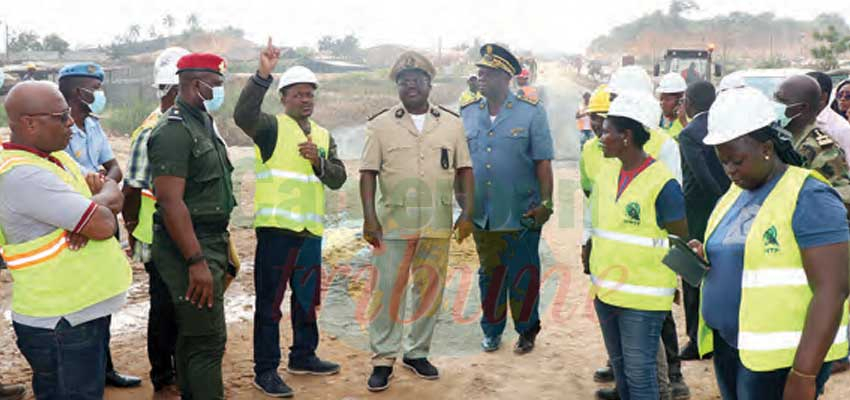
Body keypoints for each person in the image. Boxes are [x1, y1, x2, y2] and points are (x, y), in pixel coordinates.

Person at [693, 86, 850, 399]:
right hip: (732, 345)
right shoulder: (737, 192)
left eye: (736, 161)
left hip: (781, 359)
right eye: (723, 162)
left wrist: (804, 374)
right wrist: (708, 255)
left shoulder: (810, 197)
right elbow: (745, 251)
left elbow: (833, 289)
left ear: (766, 148)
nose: (729, 170)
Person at [0, 81, 132, 399]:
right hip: (61, 321)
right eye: (61, 116)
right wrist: (96, 208)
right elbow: (103, 222)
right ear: (30, 123)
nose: (71, 121)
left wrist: (92, 206)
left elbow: (108, 188)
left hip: (78, 312)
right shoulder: (25, 175)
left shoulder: (54, 159)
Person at [233, 38, 347, 397]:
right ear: (284, 98)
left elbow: (338, 178)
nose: (306, 99)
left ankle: (303, 355)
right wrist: (262, 75)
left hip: (310, 232)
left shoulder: (326, 137)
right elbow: (243, 115)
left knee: (306, 299)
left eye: (310, 94)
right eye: (298, 94)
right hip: (277, 233)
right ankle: (265, 369)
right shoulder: (270, 128)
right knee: (269, 305)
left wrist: (319, 162)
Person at [360, 50, 474, 392]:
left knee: (429, 290)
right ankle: (383, 359)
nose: (410, 85)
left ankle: (417, 352)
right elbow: (367, 173)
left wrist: (467, 213)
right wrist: (369, 218)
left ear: (429, 83)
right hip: (393, 223)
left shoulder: (452, 124)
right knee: (388, 291)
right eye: (403, 80)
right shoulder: (380, 125)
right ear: (397, 86)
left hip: (437, 222)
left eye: (417, 79)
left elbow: (464, 170)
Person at [148, 52, 236, 400]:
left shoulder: (200, 121)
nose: (219, 89)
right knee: (206, 342)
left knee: (192, 336)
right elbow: (170, 202)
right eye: (215, 84)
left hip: (208, 239)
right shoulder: (174, 130)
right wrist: (196, 261)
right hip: (191, 245)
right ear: (195, 84)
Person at [590, 90, 688, 400]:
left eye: (607, 131)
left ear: (627, 136)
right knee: (621, 368)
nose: (600, 137)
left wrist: (676, 282)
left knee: (641, 374)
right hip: (606, 290)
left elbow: (680, 240)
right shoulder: (607, 172)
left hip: (643, 299)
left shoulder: (663, 183)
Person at [461, 43, 553, 355]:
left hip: (522, 212)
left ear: (505, 77)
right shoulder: (468, 114)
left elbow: (543, 161)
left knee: (524, 274)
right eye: (479, 73)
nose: (480, 78)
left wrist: (547, 202)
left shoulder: (531, 114)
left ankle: (526, 330)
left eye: (486, 73)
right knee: (490, 275)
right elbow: (462, 164)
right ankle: (492, 329)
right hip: (483, 213)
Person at [56, 62, 140, 389]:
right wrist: (99, 186)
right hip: (74, 223)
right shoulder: (57, 130)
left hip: (101, 216)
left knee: (103, 293)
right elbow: (63, 179)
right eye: (96, 87)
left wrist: (103, 185)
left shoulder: (92, 125)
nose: (101, 94)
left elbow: (114, 167)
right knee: (77, 300)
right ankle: (79, 373)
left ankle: (104, 367)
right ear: (80, 92)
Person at [122, 47, 189, 396]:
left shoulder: (188, 123)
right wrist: (132, 230)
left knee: (182, 306)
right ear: (175, 89)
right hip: (159, 235)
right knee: (164, 308)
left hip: (185, 233)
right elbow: (131, 189)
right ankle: (164, 375)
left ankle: (180, 366)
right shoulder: (151, 131)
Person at [676, 80, 729, 362]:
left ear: (688, 101)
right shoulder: (723, 126)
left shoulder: (689, 134)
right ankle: (718, 335)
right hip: (727, 206)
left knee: (692, 274)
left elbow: (700, 177)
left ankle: (696, 340)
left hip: (699, 211)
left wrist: (719, 202)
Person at [774, 75, 850, 211]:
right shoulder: (780, 135)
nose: (775, 106)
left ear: (802, 108)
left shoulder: (824, 150)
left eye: (782, 101)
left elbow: (842, 199)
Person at [808, 71, 850, 168]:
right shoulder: (795, 121)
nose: (842, 99)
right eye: (840, 95)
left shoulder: (841, 128)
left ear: (823, 96)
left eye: (848, 96)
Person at [656, 73, 688, 140]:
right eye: (661, 99)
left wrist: (684, 123)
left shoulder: (688, 123)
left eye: (667, 100)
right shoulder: (656, 120)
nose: (662, 103)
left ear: (681, 101)